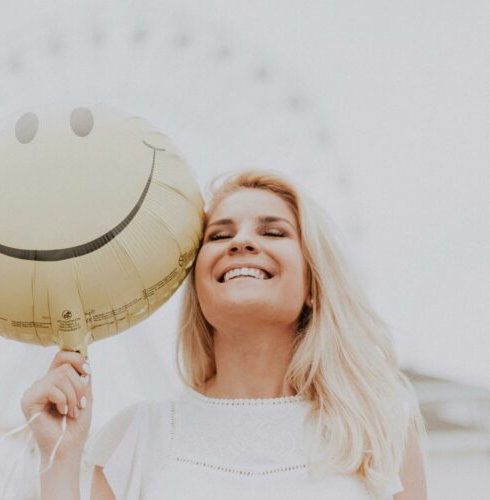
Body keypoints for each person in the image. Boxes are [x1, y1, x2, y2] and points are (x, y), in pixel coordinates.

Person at [21, 170, 427, 499]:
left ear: (314, 288)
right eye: (219, 235)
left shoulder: (378, 427)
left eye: (273, 232)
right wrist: (59, 457)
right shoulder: (139, 437)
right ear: (198, 288)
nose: (242, 242)